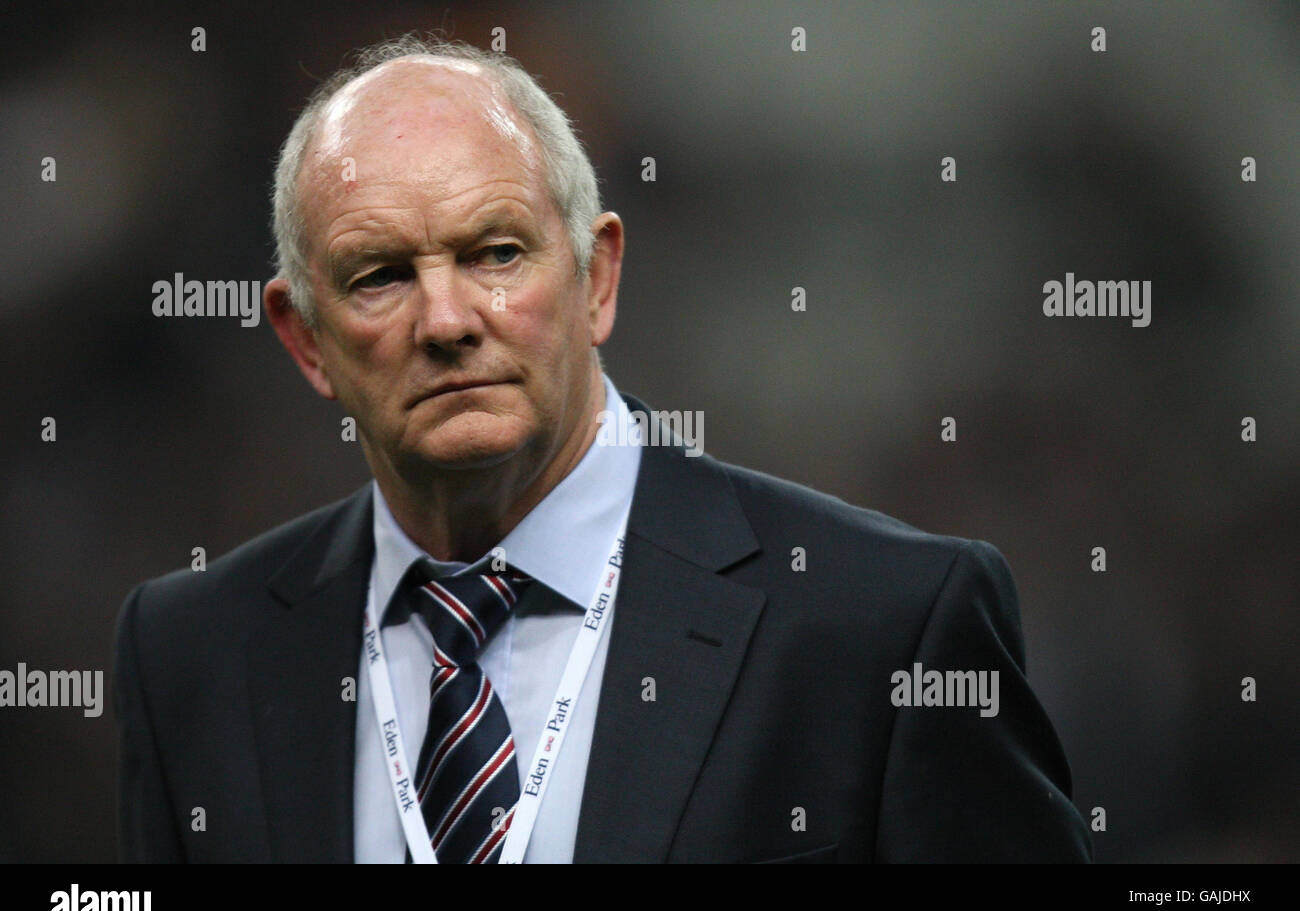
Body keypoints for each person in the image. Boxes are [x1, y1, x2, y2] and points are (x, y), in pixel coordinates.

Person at [114, 36, 1092, 863]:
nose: (447, 319)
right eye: (379, 276)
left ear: (597, 278)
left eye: (495, 253)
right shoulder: (191, 657)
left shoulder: (882, 628)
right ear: (304, 338)